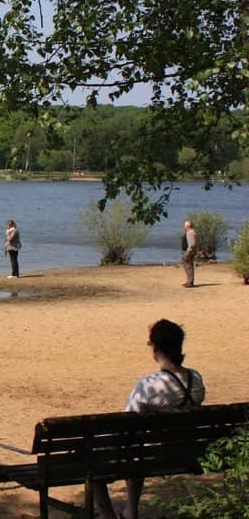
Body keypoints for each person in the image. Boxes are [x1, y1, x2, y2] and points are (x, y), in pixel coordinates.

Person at [93, 319, 206, 519]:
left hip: (151, 454)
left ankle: (107, 514)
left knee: (95, 453)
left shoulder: (149, 384)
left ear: (154, 348)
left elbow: (127, 419)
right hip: (186, 451)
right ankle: (130, 511)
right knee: (137, 449)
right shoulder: (195, 378)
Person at [181, 220, 197, 288]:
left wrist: (188, 251)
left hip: (189, 252)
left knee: (189, 267)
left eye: (184, 226)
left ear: (187, 226)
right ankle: (188, 281)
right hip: (188, 251)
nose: (184, 227)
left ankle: (190, 282)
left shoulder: (190, 232)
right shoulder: (190, 232)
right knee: (187, 267)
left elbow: (192, 244)